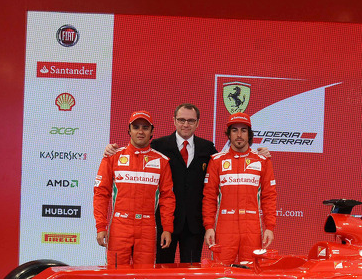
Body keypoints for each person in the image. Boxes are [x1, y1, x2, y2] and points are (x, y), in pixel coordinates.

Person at [103, 104, 270, 263]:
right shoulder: (158, 146)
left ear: (197, 123)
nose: (185, 124)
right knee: (161, 273)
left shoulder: (208, 148)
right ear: (174, 120)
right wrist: (110, 150)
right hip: (163, 225)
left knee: (191, 275)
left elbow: (231, 163)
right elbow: (137, 151)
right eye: (182, 120)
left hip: (194, 226)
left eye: (190, 121)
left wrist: (259, 153)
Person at [93, 110, 175, 267]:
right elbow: (101, 194)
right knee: (115, 277)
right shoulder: (113, 157)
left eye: (145, 127)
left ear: (152, 132)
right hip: (120, 225)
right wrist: (100, 226)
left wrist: (167, 228)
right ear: (129, 130)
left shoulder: (162, 161)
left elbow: (167, 197)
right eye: (136, 127)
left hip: (147, 227)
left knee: (145, 278)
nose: (141, 131)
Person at [202, 112, 277, 264]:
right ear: (229, 134)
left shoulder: (262, 161)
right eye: (234, 130)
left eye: (243, 130)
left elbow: (269, 196)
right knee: (219, 273)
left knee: (251, 274)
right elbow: (209, 197)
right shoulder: (217, 161)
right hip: (224, 227)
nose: (239, 135)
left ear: (249, 134)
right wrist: (209, 226)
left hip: (252, 228)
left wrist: (269, 227)